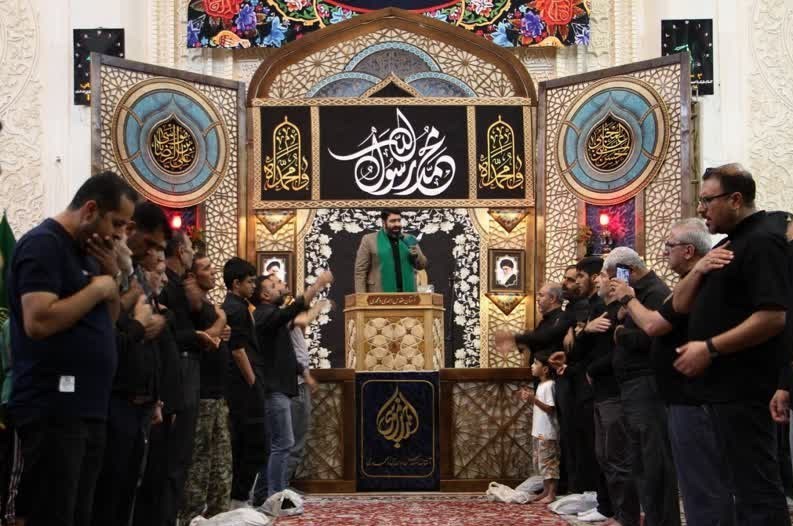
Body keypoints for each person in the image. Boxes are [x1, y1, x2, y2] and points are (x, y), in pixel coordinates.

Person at [8, 172, 137, 526]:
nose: (119, 235)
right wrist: (98, 288)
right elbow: (38, 321)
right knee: (52, 514)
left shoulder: (91, 252)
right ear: (90, 209)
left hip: (89, 408)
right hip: (52, 409)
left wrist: (111, 279)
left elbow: (107, 322)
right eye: (117, 223)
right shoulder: (43, 245)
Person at [673, 164, 791, 525]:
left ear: (736, 200)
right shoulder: (727, 245)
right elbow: (680, 305)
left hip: (746, 391)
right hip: (721, 393)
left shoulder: (763, 241)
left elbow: (773, 317)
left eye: (708, 200)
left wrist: (708, 348)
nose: (702, 209)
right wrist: (699, 268)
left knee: (758, 493)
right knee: (737, 489)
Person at [611, 218, 734, 526]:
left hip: (694, 398)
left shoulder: (692, 284)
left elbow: (653, 326)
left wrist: (628, 299)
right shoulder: (688, 282)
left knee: (701, 485)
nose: (664, 251)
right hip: (680, 396)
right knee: (692, 484)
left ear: (689, 251)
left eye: (669, 245)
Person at [605, 247, 681, 526]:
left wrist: (621, 334)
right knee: (641, 462)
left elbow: (652, 339)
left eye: (614, 277)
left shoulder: (654, 293)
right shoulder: (635, 294)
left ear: (628, 271)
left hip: (647, 385)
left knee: (654, 462)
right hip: (634, 386)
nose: (612, 283)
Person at [90, 232, 161, 526]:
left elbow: (147, 346)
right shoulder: (100, 286)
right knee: (110, 486)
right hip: (114, 400)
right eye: (120, 239)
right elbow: (112, 339)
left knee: (129, 484)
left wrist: (155, 397)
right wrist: (138, 321)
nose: (128, 251)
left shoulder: (131, 284)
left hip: (139, 402)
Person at [255, 269, 333, 499]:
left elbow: (287, 354)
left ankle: (267, 493)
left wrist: (304, 374)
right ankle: (276, 495)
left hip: (283, 386)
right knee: (283, 444)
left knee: (281, 443)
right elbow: (296, 312)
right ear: (264, 296)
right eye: (273, 285)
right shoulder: (265, 315)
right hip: (275, 389)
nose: (280, 286)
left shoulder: (273, 316)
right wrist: (317, 286)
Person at [582, 270, 640, 526]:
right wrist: (585, 329)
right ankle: (616, 512)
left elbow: (619, 351)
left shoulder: (623, 311)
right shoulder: (601, 311)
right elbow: (580, 349)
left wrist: (593, 369)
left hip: (615, 393)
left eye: (604, 275)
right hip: (601, 393)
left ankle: (627, 517)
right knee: (604, 456)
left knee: (618, 458)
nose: (598, 279)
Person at [179, 253, 233, 523]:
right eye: (207, 268)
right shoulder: (190, 305)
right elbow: (206, 337)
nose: (213, 272)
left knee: (221, 463)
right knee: (199, 463)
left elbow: (218, 335)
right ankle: (190, 518)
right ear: (191, 277)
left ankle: (218, 516)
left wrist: (222, 327)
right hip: (200, 394)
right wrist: (221, 322)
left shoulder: (209, 305)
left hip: (217, 395)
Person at [221, 258, 269, 508]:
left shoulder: (239, 306)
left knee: (248, 443)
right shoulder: (235, 309)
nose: (253, 286)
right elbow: (238, 350)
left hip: (243, 385)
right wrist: (253, 382)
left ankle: (239, 498)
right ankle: (239, 500)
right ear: (236, 283)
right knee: (253, 443)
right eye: (249, 282)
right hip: (243, 386)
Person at [494, 283, 569, 366]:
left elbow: (544, 337)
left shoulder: (562, 317)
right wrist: (517, 343)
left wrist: (513, 338)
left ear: (552, 299)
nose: (537, 299)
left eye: (541, 295)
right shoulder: (545, 321)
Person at [354, 209, 427, 293]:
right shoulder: (369, 240)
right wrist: (361, 297)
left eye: (399, 220)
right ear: (383, 222)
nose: (397, 224)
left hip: (408, 294)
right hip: (379, 293)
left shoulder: (409, 239)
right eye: (393, 221)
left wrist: (416, 255)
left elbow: (422, 265)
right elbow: (360, 271)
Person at [522, 353, 559, 504]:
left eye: (535, 363)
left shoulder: (550, 385)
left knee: (549, 463)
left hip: (547, 432)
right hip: (539, 432)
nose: (532, 366)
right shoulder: (541, 385)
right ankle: (545, 491)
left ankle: (552, 493)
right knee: (541, 463)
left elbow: (550, 408)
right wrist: (531, 399)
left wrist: (533, 400)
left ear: (545, 369)